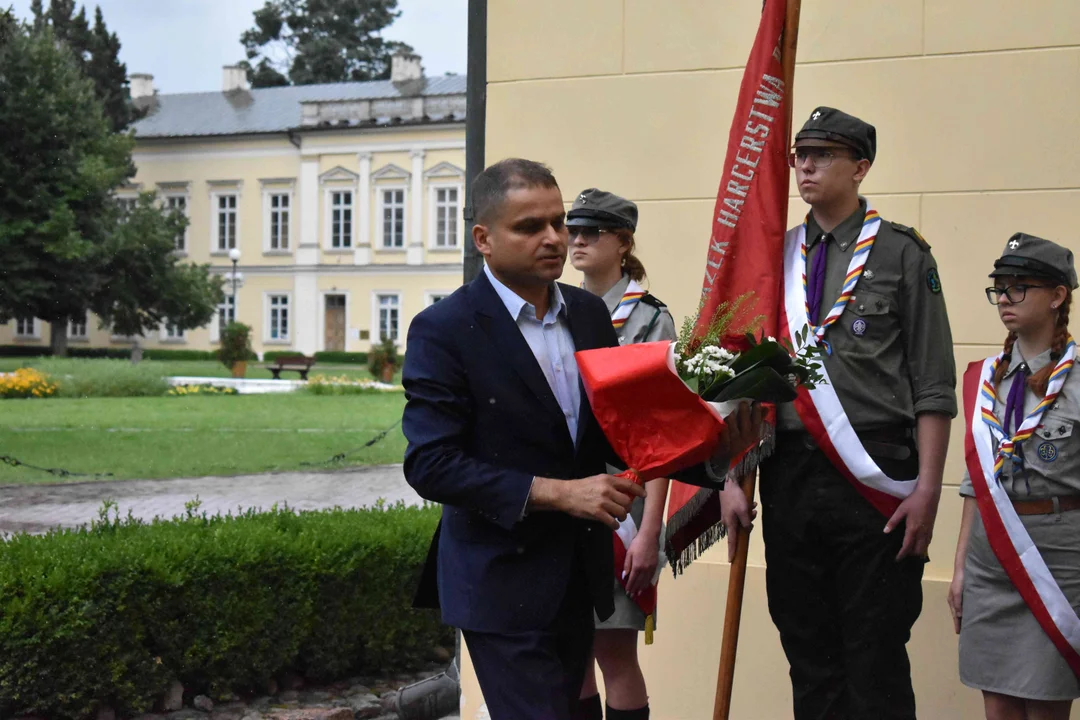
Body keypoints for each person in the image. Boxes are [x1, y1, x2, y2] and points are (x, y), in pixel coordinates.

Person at [402, 158, 761, 720]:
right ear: (483, 239)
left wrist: (716, 453)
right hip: (499, 579)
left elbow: (621, 439)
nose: (553, 238)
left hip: (577, 576)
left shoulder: (590, 315)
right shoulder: (444, 329)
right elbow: (430, 465)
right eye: (529, 227)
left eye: (558, 222)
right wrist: (558, 493)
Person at [720, 107, 957, 720]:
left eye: (822, 154)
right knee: (808, 648)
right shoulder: (778, 258)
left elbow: (932, 384)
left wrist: (929, 489)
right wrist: (733, 475)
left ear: (860, 167)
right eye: (799, 154)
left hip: (876, 472)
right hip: (792, 471)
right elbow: (748, 377)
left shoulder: (904, 255)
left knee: (874, 652)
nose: (805, 166)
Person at [949, 234, 1080, 720]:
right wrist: (961, 566)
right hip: (990, 559)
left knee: (1046, 704)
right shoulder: (988, 378)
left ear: (1058, 296)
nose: (1004, 298)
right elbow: (975, 481)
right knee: (997, 704)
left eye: (1019, 287)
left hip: (1057, 559)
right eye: (1000, 287)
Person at [567, 188, 676, 720]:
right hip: (566, 498)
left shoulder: (651, 321)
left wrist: (650, 530)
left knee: (614, 651)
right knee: (571, 651)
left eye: (593, 232)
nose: (577, 240)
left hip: (623, 506)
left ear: (624, 242)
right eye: (573, 230)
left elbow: (663, 435)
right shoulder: (556, 308)